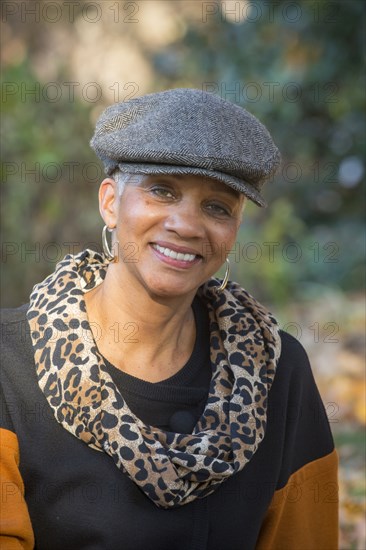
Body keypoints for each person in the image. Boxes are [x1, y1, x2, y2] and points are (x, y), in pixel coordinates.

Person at [0, 88, 338, 549]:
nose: (186, 224)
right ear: (110, 203)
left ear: (234, 230)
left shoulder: (275, 374)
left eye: (216, 207)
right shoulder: (11, 365)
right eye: (163, 191)